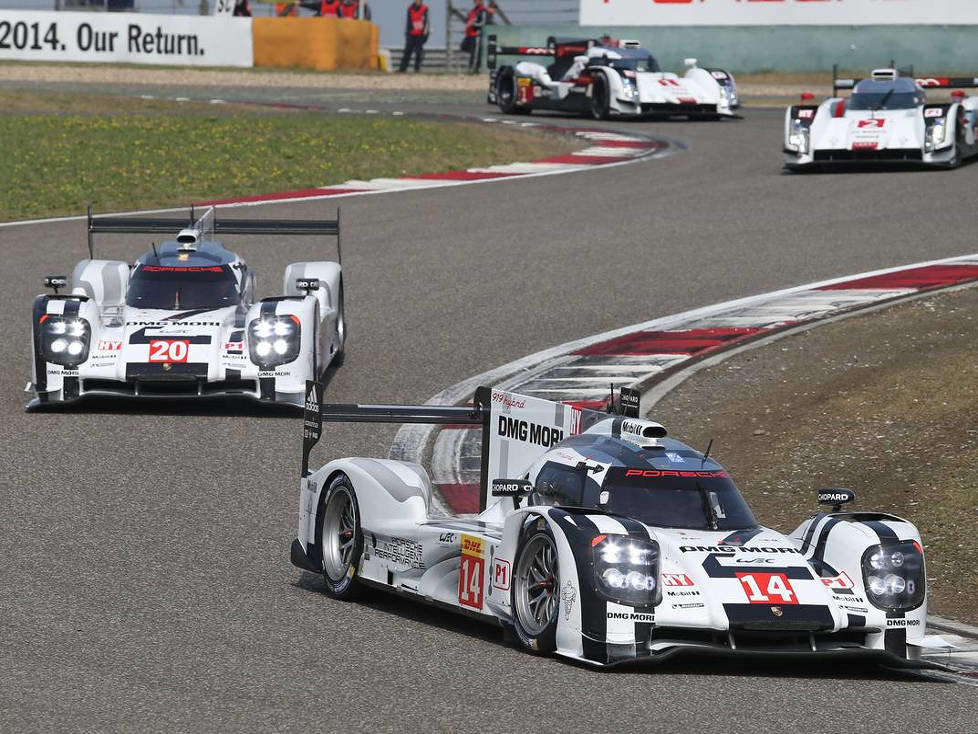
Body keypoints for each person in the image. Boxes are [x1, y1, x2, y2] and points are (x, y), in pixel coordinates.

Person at [399, 0, 429, 73]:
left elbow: (427, 23)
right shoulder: (410, 8)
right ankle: (403, 69)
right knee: (407, 51)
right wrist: (407, 33)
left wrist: (425, 35)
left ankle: (417, 68)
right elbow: (408, 22)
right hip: (411, 34)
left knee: (418, 52)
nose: (418, 2)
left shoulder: (425, 9)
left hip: (420, 35)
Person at [461, 0, 489, 74]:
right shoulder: (474, 10)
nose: (475, 1)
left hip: (476, 35)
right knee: (463, 47)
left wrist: (473, 24)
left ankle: (474, 69)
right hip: (469, 34)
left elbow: (483, 23)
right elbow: (469, 19)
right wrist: (467, 20)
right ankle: (473, 67)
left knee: (475, 53)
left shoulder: (483, 11)